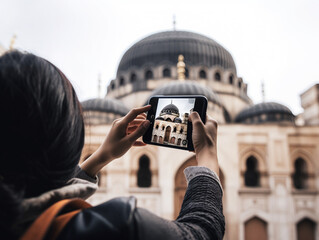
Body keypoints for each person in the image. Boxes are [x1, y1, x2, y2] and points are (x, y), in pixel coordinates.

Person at [0, 50, 224, 240]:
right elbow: (201, 231)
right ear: (68, 142)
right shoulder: (117, 227)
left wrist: (97, 159)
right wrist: (208, 157)